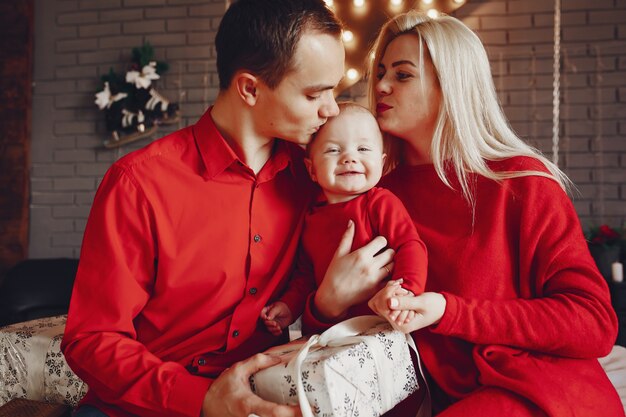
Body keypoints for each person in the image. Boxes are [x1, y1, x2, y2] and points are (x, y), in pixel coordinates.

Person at [60, 2, 395, 417]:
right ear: (250, 89)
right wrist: (201, 399)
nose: (330, 109)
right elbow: (91, 340)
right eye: (314, 94)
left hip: (264, 396)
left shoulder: (314, 176)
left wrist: (325, 303)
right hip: (143, 406)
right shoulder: (139, 183)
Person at [305, 10, 624, 417]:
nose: (380, 85)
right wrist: (325, 304)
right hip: (432, 400)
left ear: (450, 85)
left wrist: (448, 311)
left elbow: (593, 323)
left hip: (537, 391)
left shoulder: (522, 182)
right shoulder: (373, 195)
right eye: (381, 71)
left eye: (402, 75)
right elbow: (343, 349)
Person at [261, 102, 428, 335]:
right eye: (333, 150)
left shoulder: (380, 203)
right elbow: (305, 276)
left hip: (381, 327)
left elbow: (410, 246)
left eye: (363, 149)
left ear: (381, 163)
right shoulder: (311, 217)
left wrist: (406, 290)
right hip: (333, 332)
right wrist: (289, 306)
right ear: (312, 170)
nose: (349, 158)